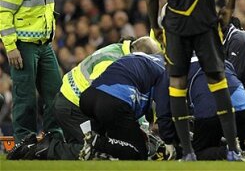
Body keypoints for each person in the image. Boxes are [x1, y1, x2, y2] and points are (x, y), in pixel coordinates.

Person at [143, 0, 241, 161]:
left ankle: (187, 153)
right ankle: (234, 149)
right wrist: (228, 8)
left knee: (177, 84)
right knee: (218, 82)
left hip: (176, 25)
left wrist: (155, 25)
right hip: (206, 21)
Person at [6, 36, 164, 160]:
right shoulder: (114, 62)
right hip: (74, 108)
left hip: (74, 103)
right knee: (99, 151)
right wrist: (139, 129)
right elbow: (111, 101)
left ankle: (50, 148)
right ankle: (42, 148)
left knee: (105, 146)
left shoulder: (120, 53)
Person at [0, 0, 63, 155]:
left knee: (56, 93)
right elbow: (3, 13)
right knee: (25, 97)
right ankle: (23, 143)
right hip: (23, 47)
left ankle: (54, 138)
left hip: (44, 46)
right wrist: (11, 47)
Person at [78, 53, 176, 160]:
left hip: (88, 97)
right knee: (138, 153)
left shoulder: (139, 57)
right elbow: (163, 108)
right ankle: (97, 142)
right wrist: (168, 140)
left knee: (116, 147)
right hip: (112, 102)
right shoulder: (165, 71)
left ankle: (97, 148)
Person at [188, 57, 245, 161]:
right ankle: (244, 147)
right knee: (243, 144)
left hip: (211, 108)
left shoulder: (179, 68)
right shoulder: (222, 60)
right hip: (243, 104)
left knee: (199, 152)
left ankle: (229, 151)